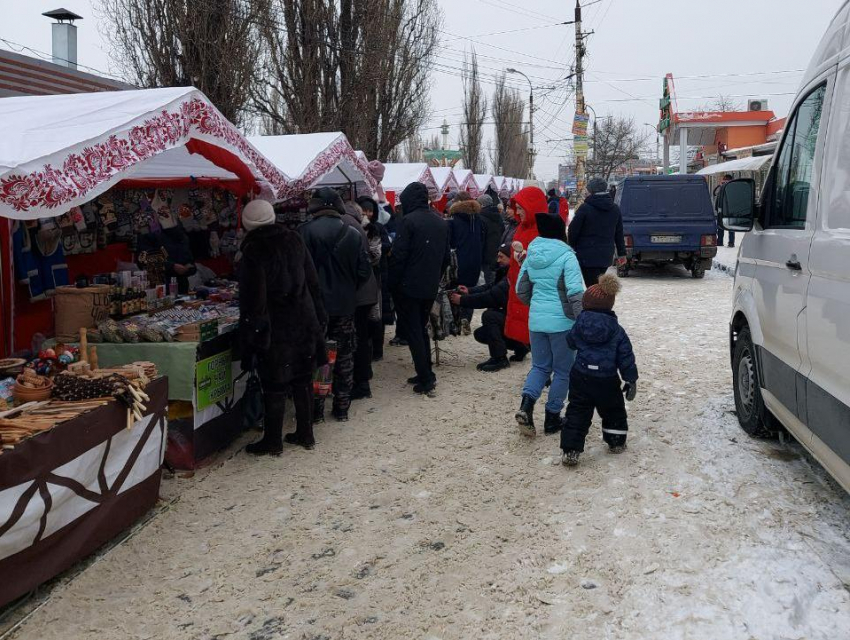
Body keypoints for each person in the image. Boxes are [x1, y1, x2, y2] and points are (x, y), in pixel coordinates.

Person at [239, 200, 327, 454]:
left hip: (277, 328)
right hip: (305, 320)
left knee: (274, 384)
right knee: (302, 379)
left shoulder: (254, 250)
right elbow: (312, 281)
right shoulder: (294, 239)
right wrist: (320, 316)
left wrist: (253, 337)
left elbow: (253, 301)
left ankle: (273, 440)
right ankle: (305, 433)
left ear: (247, 223)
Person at [299, 188, 371, 422]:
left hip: (312, 308)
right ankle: (341, 408)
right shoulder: (353, 234)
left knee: (315, 356)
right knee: (344, 355)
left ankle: (315, 410)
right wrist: (348, 288)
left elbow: (296, 274)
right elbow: (364, 271)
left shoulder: (302, 232)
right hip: (344, 305)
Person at [514, 213, 585, 437]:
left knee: (540, 367)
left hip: (536, 321)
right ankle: (552, 418)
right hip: (562, 323)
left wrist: (536, 304)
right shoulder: (567, 256)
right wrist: (583, 322)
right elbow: (575, 292)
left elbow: (521, 290)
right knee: (563, 371)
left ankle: (526, 406)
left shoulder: (531, 254)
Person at [560, 273, 638, 466]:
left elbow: (571, 342)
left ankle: (571, 449)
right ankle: (616, 441)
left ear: (586, 304)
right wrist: (630, 379)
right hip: (607, 379)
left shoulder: (580, 323)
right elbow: (625, 356)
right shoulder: (617, 330)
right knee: (613, 410)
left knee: (577, 411)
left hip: (581, 376)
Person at [389, 181, 450, 395]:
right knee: (421, 329)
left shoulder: (408, 222)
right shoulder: (440, 221)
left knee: (414, 331)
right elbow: (445, 258)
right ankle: (426, 371)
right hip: (429, 285)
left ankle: (425, 378)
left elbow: (399, 256)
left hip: (408, 286)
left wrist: (393, 283)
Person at [450, 244, 528, 372]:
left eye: (501, 257)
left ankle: (500, 358)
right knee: (482, 332)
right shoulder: (508, 273)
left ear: (511, 258)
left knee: (490, 316)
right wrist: (469, 291)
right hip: (519, 321)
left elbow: (489, 297)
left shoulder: (512, 278)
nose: (498, 260)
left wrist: (461, 300)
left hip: (522, 322)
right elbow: (490, 287)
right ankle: (521, 346)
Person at [342, 202, 380, 401]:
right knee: (363, 336)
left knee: (356, 337)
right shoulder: (356, 225)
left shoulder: (345, 225)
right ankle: (364, 376)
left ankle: (361, 382)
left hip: (357, 292)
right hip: (366, 290)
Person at [504, 186, 548, 353]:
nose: (518, 212)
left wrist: (524, 257)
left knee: (536, 330)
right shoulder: (523, 226)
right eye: (518, 208)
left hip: (533, 288)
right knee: (528, 330)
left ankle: (541, 371)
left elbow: (544, 261)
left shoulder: (541, 230)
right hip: (519, 283)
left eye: (521, 208)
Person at [568, 177, 627, 287]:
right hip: (605, 255)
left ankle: (595, 303)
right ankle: (599, 302)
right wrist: (622, 253)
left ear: (591, 191)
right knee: (597, 285)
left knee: (592, 287)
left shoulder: (585, 208)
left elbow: (573, 230)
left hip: (586, 255)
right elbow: (619, 233)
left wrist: (571, 247)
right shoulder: (614, 209)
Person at [357, 196, 392, 362]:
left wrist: (375, 246)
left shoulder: (378, 227)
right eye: (364, 210)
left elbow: (387, 245)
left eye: (370, 210)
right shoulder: (355, 227)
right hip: (366, 276)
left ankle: (377, 350)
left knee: (377, 315)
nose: (367, 213)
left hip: (378, 275)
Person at [448, 192, 485, 335]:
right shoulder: (479, 219)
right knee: (469, 290)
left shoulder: (454, 220)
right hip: (475, 260)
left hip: (458, 260)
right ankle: (466, 319)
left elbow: (451, 242)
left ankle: (455, 322)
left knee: (454, 290)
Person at [477, 194, 505, 286]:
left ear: (482, 205)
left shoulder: (481, 218)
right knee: (493, 279)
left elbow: (480, 239)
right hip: (496, 252)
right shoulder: (499, 216)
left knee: (485, 280)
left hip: (485, 254)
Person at [715, 174, 735, 247]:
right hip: (722, 210)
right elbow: (716, 196)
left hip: (730, 211)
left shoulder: (733, 188)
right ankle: (720, 242)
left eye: (726, 180)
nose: (725, 181)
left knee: (731, 227)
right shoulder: (721, 188)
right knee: (720, 227)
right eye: (724, 180)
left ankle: (731, 242)